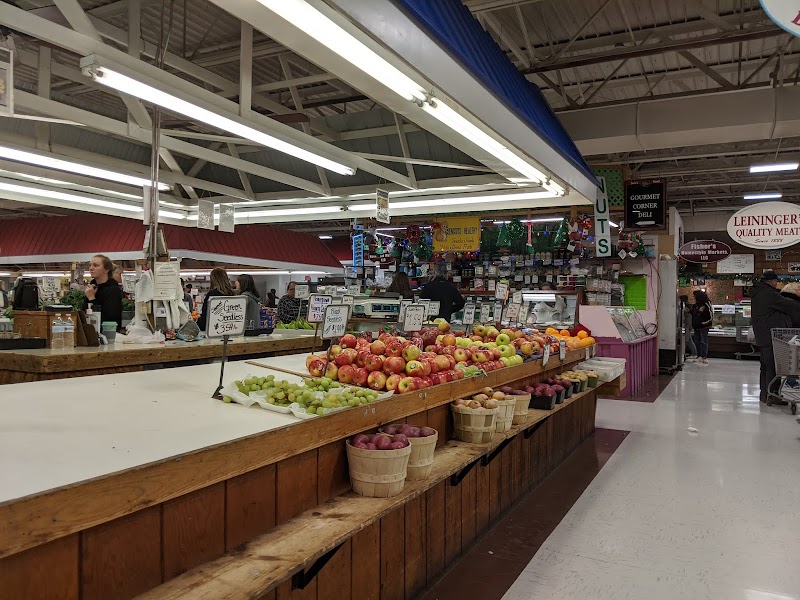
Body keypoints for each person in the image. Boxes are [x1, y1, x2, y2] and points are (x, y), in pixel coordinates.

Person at [750, 271, 800, 403]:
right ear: (772, 281)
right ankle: (772, 394)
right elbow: (789, 305)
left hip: (763, 335)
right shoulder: (768, 293)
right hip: (770, 335)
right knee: (773, 366)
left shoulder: (758, 292)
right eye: (776, 282)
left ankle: (765, 393)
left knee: (766, 366)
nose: (777, 284)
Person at [83, 254, 123, 330]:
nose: (91, 268)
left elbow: (109, 317)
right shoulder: (91, 288)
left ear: (106, 270)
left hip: (108, 334)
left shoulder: (113, 290)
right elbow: (84, 313)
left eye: (96, 265)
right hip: (92, 333)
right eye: (90, 265)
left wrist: (92, 298)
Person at [197, 267, 234, 332]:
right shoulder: (232, 294)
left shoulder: (212, 294)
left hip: (212, 329)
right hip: (229, 327)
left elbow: (206, 314)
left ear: (213, 279)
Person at [689, 290, 713, 365]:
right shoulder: (696, 305)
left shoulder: (706, 304)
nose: (694, 297)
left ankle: (704, 356)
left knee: (704, 341)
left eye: (694, 296)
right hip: (697, 326)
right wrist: (690, 311)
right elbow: (694, 313)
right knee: (697, 341)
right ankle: (699, 356)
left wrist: (704, 323)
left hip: (704, 326)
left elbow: (711, 316)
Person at [680, 294, 697, 360]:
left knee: (686, 340)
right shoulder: (690, 306)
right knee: (689, 340)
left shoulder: (686, 307)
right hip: (688, 325)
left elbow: (686, 317)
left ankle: (684, 354)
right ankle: (694, 354)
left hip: (687, 325)